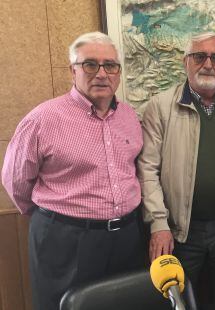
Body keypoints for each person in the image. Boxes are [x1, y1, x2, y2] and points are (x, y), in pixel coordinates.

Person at [1, 32, 144, 310]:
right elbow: (16, 180)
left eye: (110, 65)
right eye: (90, 64)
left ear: (118, 72)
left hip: (127, 237)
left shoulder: (129, 116)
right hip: (66, 240)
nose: (102, 74)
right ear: (72, 71)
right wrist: (54, 218)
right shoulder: (43, 119)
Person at [138, 32, 215, 310]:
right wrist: (158, 224)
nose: (208, 64)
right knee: (178, 303)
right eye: (199, 56)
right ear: (185, 62)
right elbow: (147, 170)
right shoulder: (160, 107)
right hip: (180, 230)